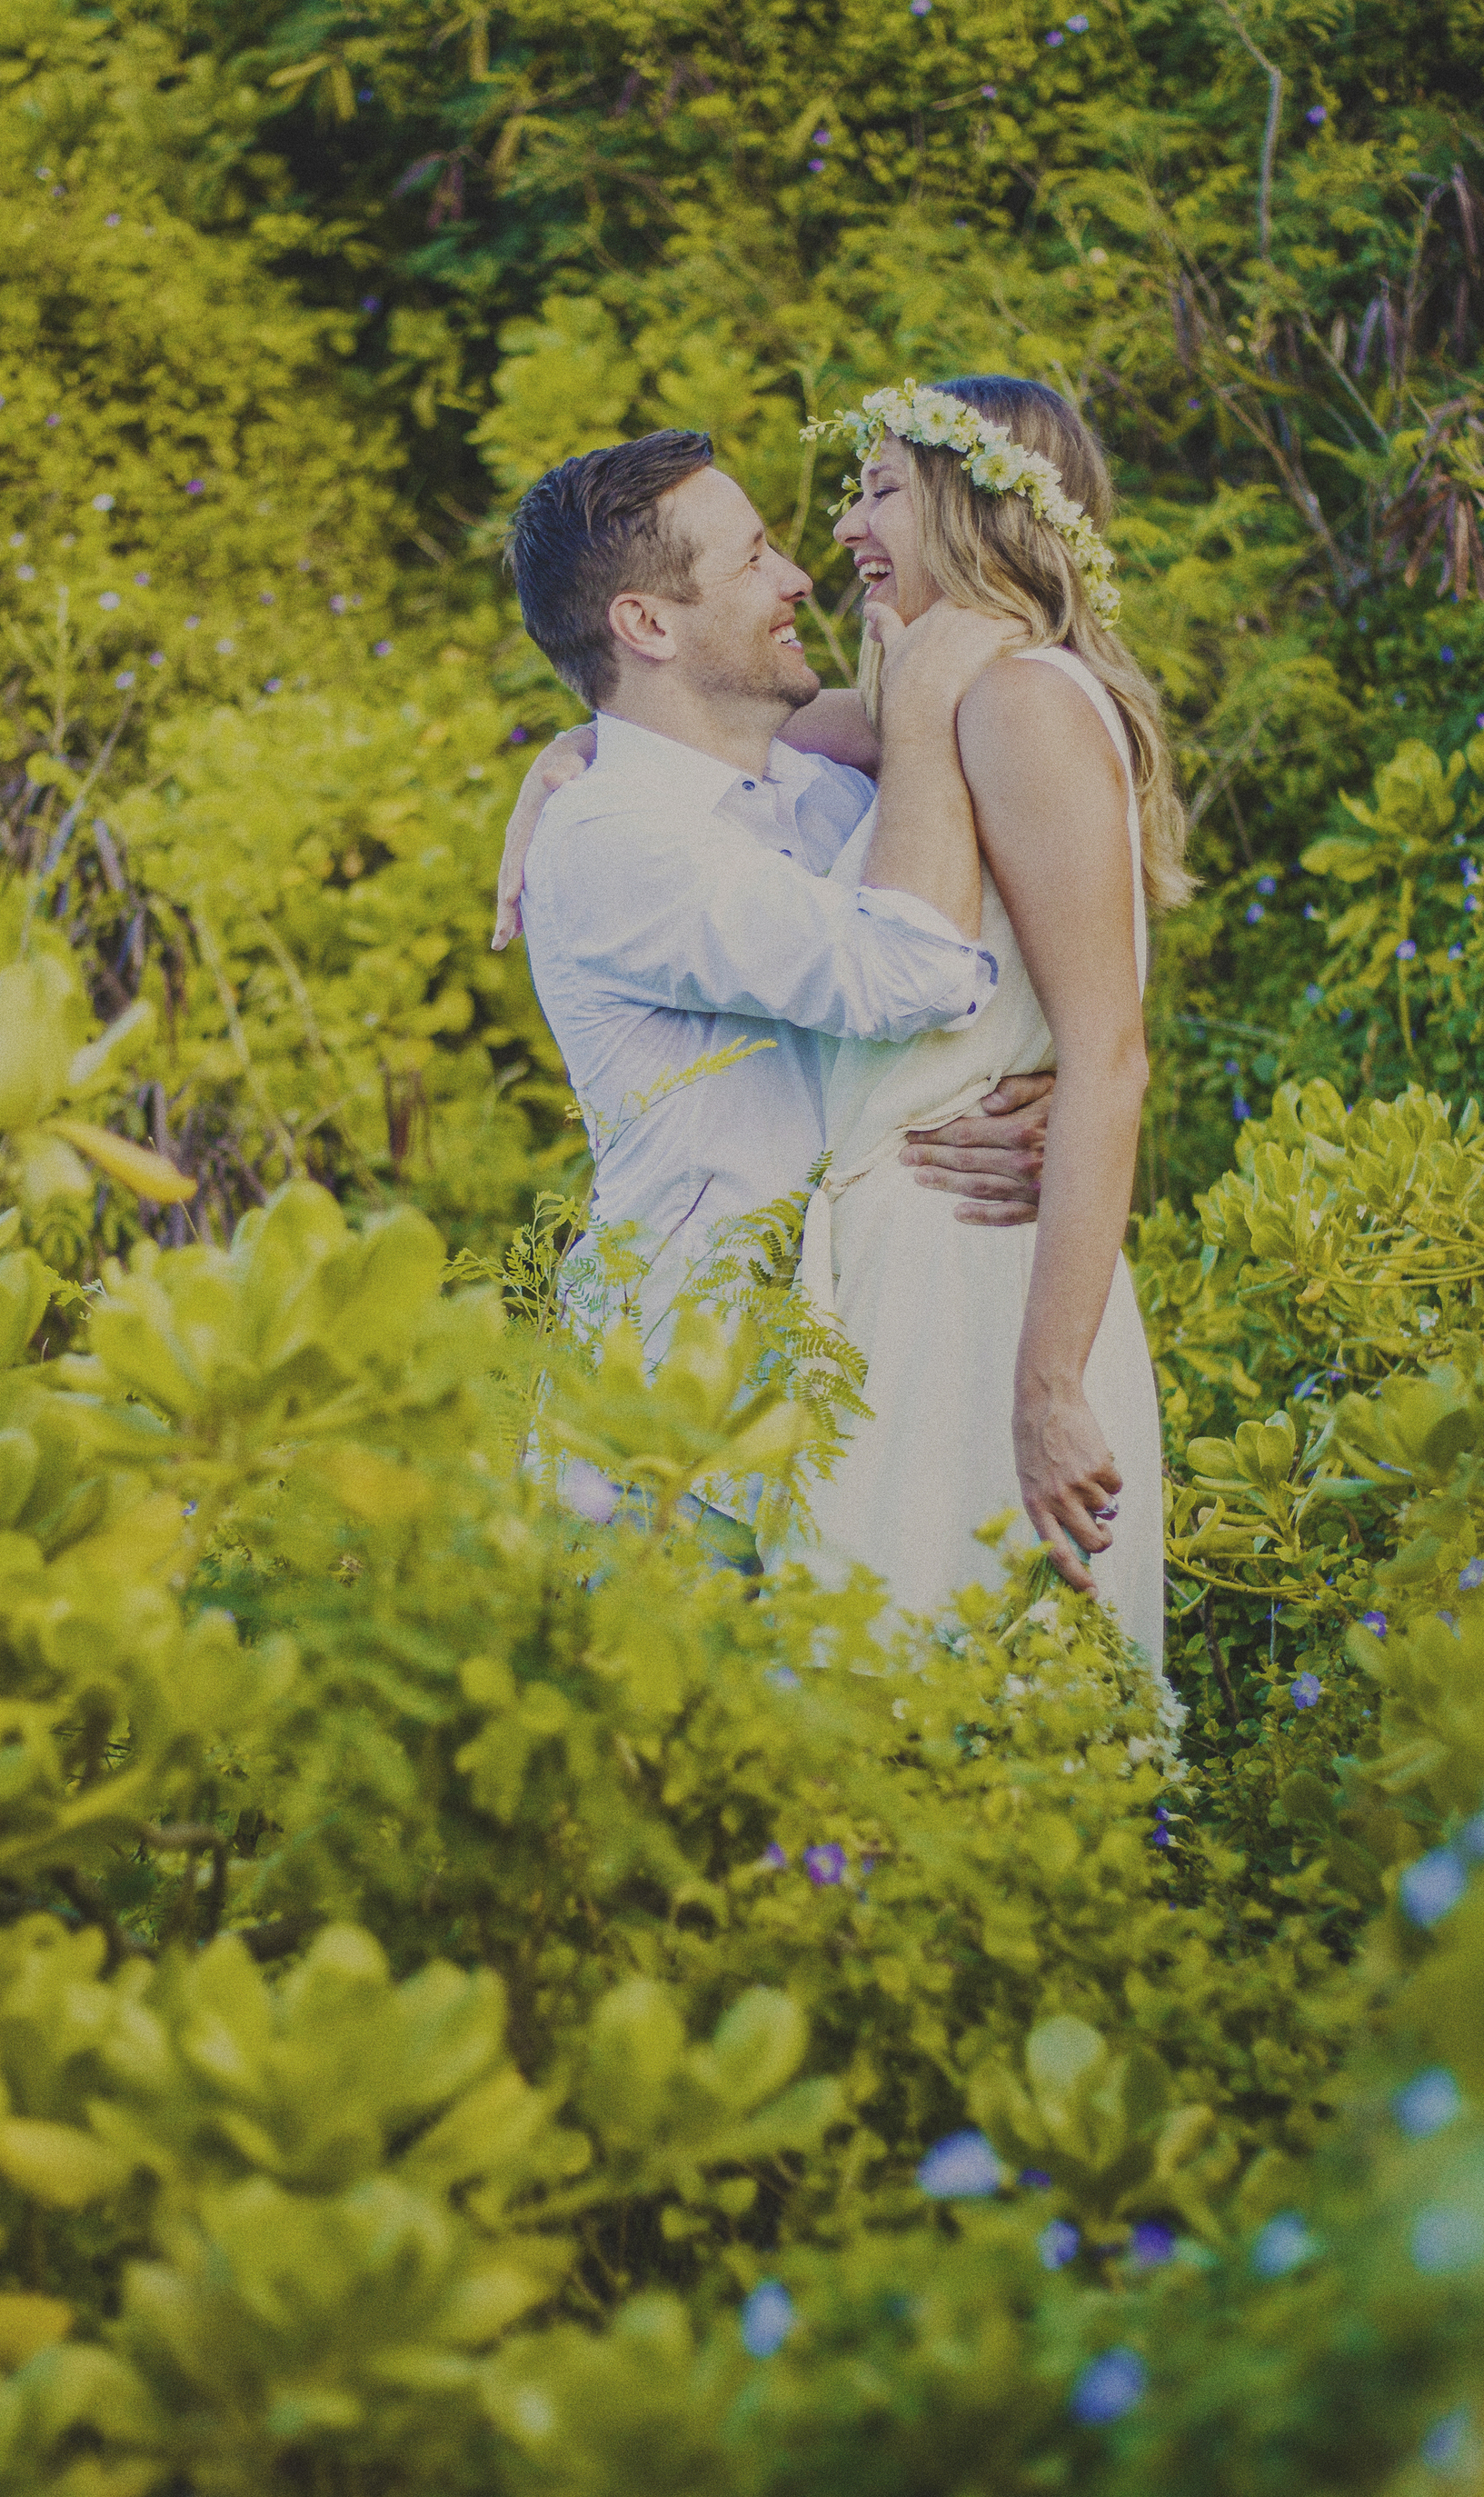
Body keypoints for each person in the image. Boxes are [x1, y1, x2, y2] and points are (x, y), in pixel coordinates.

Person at [493, 427, 1057, 1553]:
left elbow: (969, 991)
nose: (801, 577)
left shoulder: (820, 799)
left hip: (843, 1417)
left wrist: (1043, 1092)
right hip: (674, 1464)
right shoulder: (615, 840)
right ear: (646, 624)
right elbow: (918, 970)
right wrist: (928, 692)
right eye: (752, 559)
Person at [791, 374, 1186, 1664]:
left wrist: (1049, 1388)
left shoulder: (1021, 701)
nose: (848, 525)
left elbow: (1110, 1059)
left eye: (883, 491)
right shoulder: (934, 703)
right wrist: (559, 768)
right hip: (900, 1268)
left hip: (982, 1281)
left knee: (972, 1715)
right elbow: (725, 730)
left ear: (974, 503)